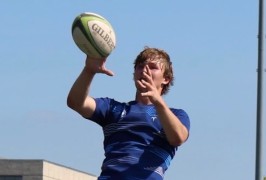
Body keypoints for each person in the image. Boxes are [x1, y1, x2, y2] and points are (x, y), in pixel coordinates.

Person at [67, 47, 190, 180]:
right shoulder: (113, 108)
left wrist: (158, 102)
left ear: (166, 79)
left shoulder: (175, 115)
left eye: (153, 67)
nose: (144, 70)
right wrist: (89, 71)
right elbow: (76, 102)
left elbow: (178, 138)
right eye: (140, 66)